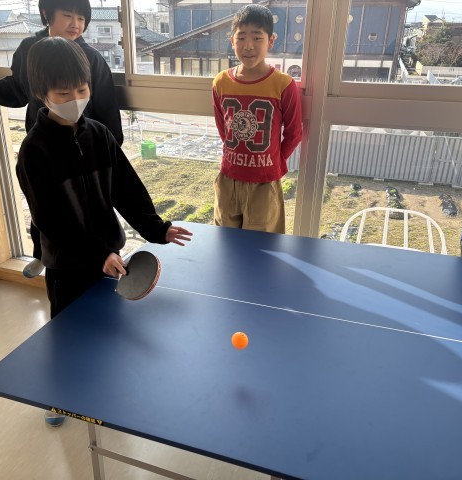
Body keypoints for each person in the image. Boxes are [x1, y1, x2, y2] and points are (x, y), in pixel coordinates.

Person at [18, 36, 192, 426]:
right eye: (64, 93)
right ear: (42, 94)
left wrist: (156, 228)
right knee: (69, 335)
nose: (75, 99)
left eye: (82, 90)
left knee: (108, 327)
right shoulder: (34, 152)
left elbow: (127, 189)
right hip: (67, 265)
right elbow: (50, 219)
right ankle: (60, 397)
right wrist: (97, 252)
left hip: (109, 260)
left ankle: (104, 385)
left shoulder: (99, 135)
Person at [0, 0, 123, 278]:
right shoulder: (29, 50)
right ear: (46, 14)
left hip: (84, 147)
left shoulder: (91, 58)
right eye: (67, 15)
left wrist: (111, 148)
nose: (75, 24)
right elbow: (18, 89)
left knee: (86, 205)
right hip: (45, 144)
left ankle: (101, 254)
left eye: (81, 18)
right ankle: (43, 254)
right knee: (44, 206)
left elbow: (106, 107)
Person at [212, 4, 302, 234]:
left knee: (262, 243)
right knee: (225, 239)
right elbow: (224, 128)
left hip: (264, 181)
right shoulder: (221, 82)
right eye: (241, 37)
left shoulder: (283, 84)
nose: (248, 45)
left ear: (271, 40)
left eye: (257, 37)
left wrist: (274, 159)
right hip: (228, 177)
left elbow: (294, 133)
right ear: (232, 41)